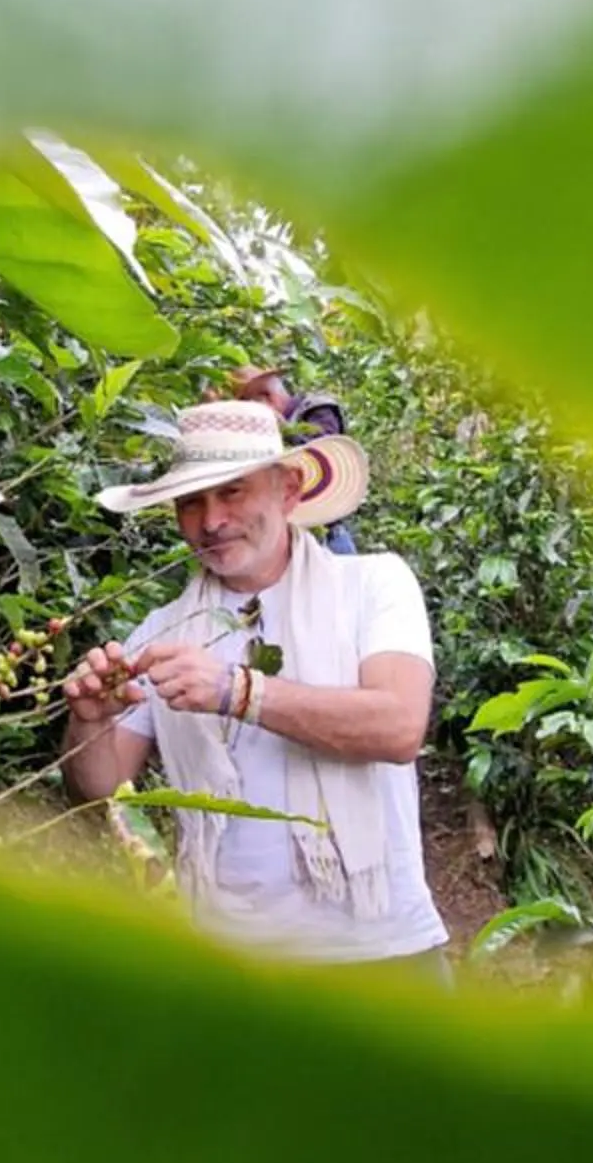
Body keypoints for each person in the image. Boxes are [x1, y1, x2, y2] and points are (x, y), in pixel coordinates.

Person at [62, 398, 450, 974]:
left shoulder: (373, 585)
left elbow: (397, 726)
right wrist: (89, 719)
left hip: (383, 956)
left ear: (288, 491)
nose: (212, 520)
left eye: (233, 491)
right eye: (192, 500)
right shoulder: (165, 631)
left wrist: (238, 692)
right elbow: (100, 789)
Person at [230, 366, 357, 553]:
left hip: (327, 533)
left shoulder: (317, 408)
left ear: (267, 396)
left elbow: (323, 450)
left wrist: (282, 430)